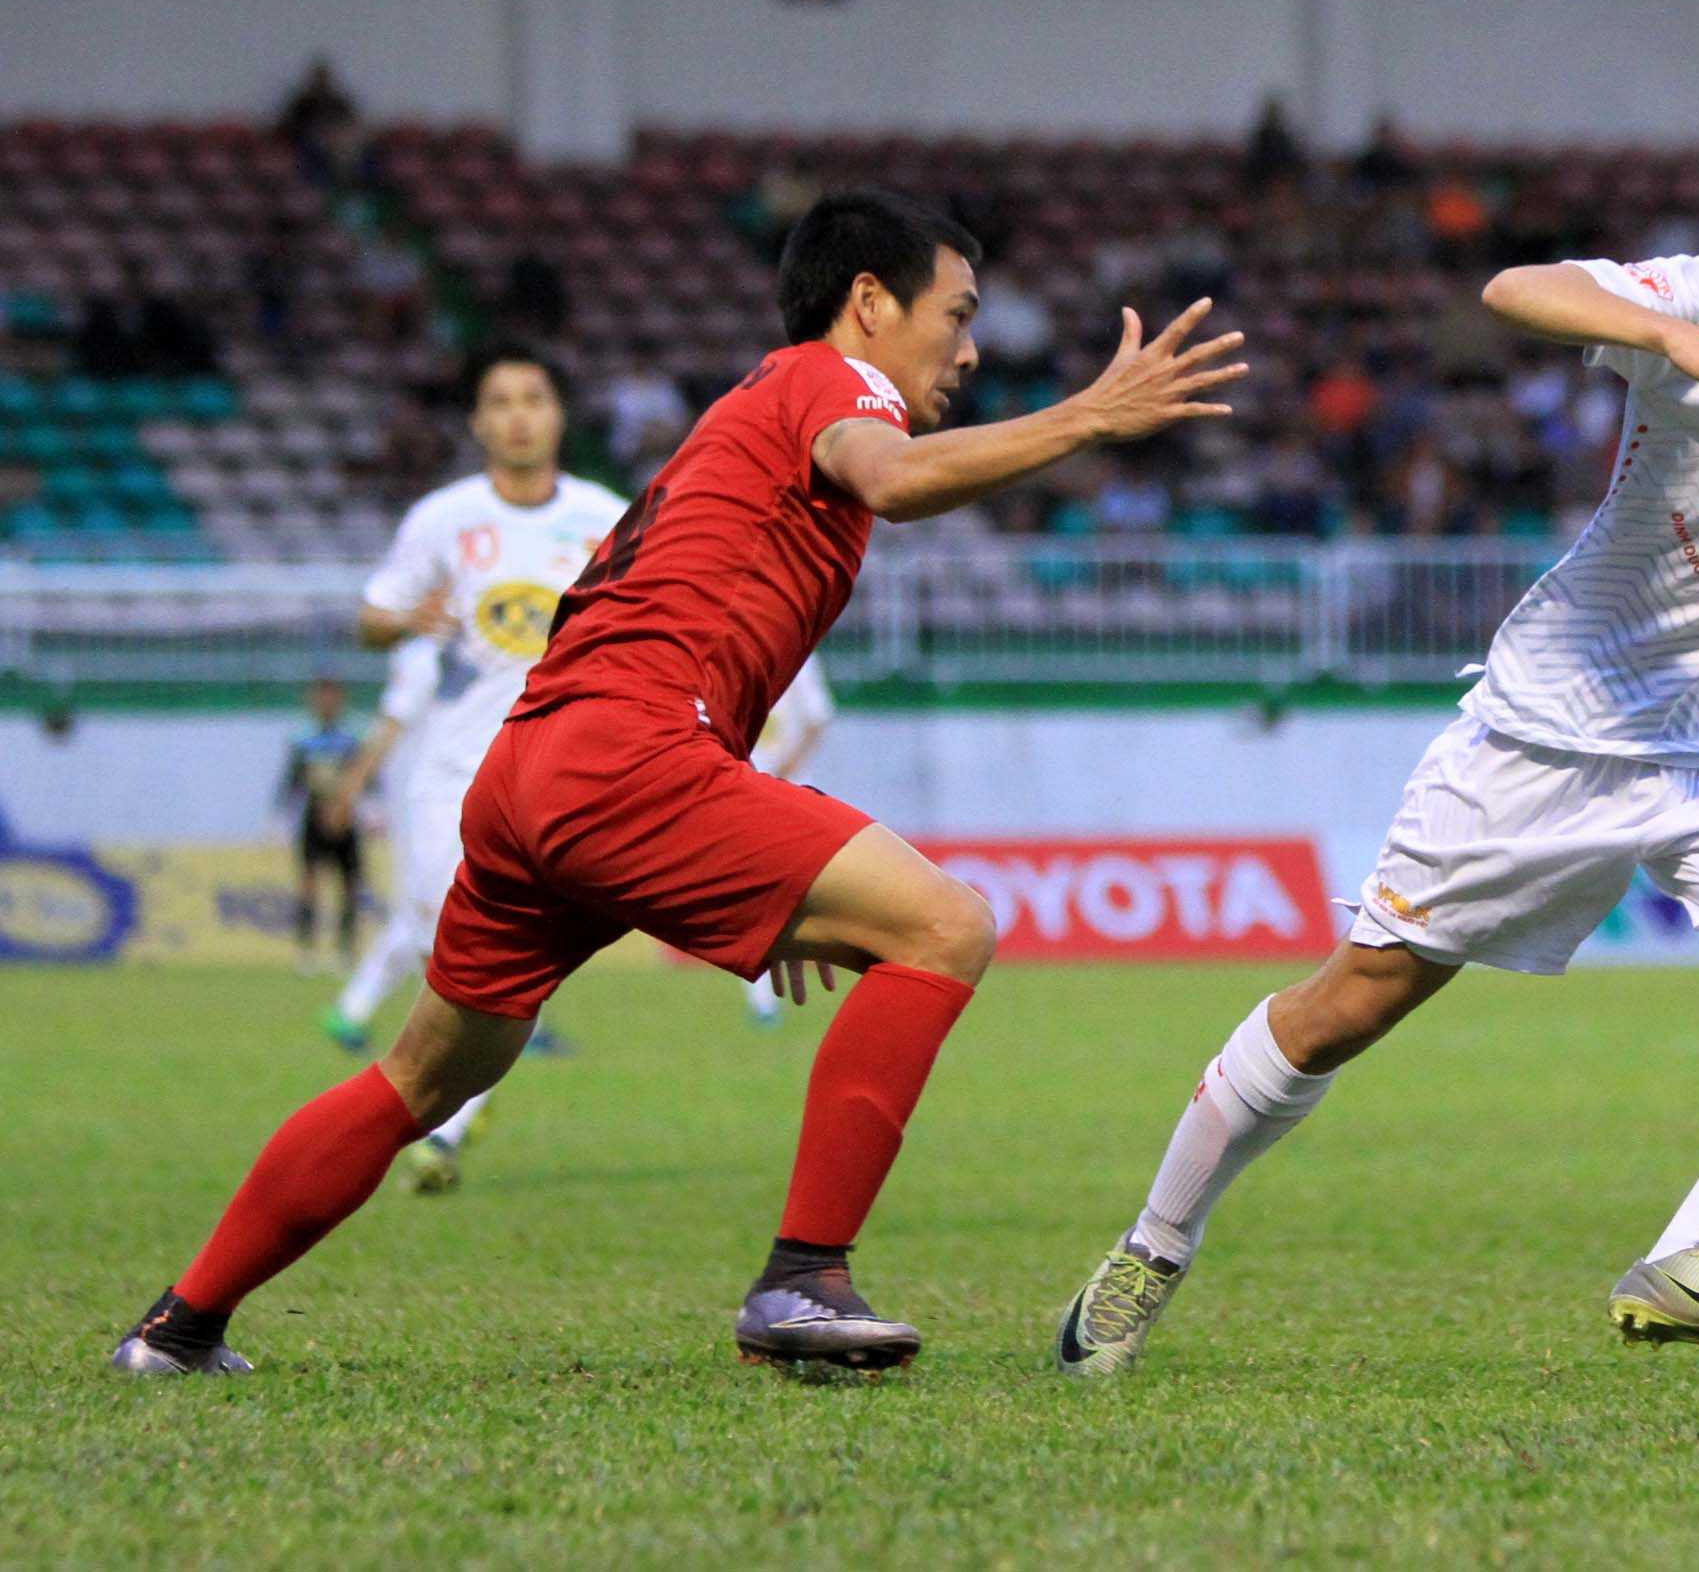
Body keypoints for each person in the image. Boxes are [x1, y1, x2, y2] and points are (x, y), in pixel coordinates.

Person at [112, 190, 1246, 1375]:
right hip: (628, 758)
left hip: (536, 764)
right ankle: (802, 1279)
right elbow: (896, 481)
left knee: (426, 1074)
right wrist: (1089, 415)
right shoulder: (835, 382)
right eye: (955, 315)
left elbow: (684, 617)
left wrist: (765, 856)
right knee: (945, 926)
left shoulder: (758, 405)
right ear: (869, 302)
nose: (968, 349)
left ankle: (177, 1328)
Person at [1051, 51, 1699, 1378]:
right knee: (1355, 1001)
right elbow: (1514, 289)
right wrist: (1673, 340)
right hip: (1554, 735)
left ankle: (1686, 1261)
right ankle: (1154, 1244)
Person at [315, 345, 630, 1200]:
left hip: (561, 768)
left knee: (515, 949)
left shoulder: (607, 518)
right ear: (478, 422)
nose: (519, 415)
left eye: (535, 397)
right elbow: (371, 620)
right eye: (501, 401)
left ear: (559, 414)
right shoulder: (443, 519)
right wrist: (403, 621)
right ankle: (452, 1105)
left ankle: (448, 1124)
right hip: (454, 765)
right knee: (435, 932)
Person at [745, 659, 840, 1027]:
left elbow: (818, 719)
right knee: (755, 900)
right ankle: (763, 1002)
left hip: (790, 795)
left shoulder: (801, 658)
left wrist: (787, 767)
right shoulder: (730, 650)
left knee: (788, 895)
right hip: (743, 794)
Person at [278, 677, 369, 979]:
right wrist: (280, 818)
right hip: (313, 816)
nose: (327, 701)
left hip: (345, 815)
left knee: (350, 885)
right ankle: (307, 950)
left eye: (332, 695)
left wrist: (371, 808)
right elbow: (291, 781)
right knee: (309, 884)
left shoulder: (353, 735)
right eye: (322, 695)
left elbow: (366, 776)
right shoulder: (302, 737)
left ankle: (346, 950)